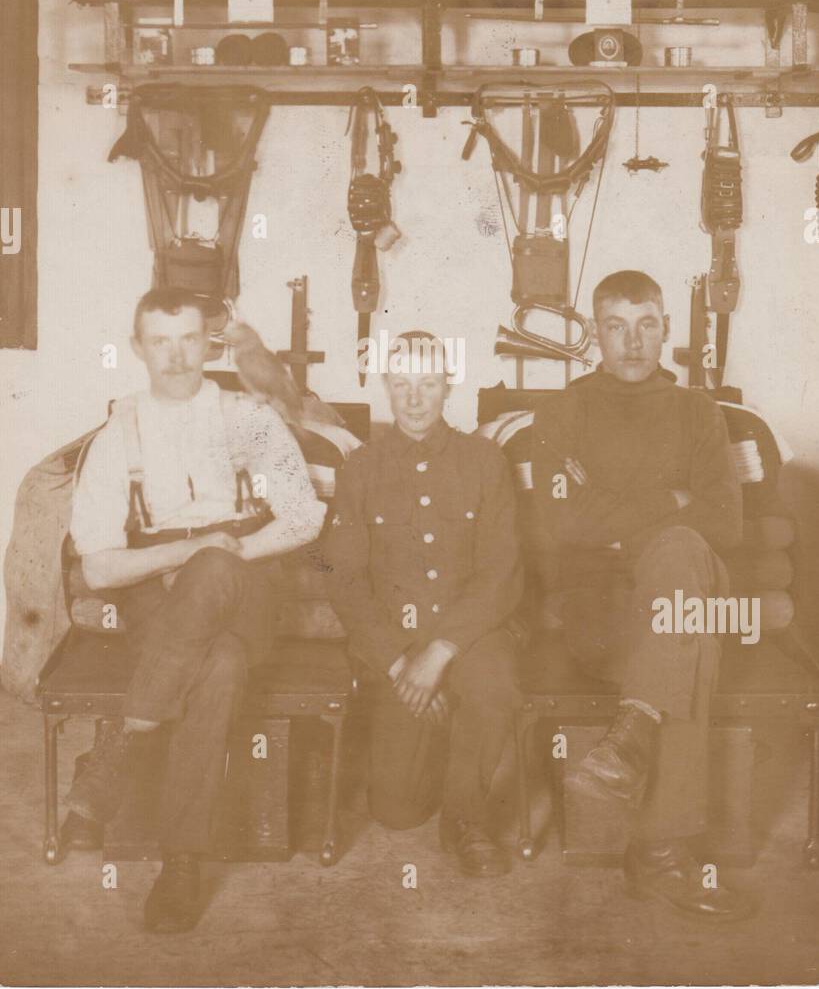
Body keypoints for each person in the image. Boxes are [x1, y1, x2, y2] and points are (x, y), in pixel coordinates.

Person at [66, 288, 326, 933]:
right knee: (220, 668)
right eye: (161, 341)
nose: (178, 356)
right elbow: (97, 566)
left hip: (249, 579)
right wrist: (179, 554)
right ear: (138, 348)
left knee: (215, 572)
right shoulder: (114, 435)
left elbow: (303, 516)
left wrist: (227, 548)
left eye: (190, 339)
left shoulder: (248, 417)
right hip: (160, 598)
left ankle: (122, 747)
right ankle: (183, 861)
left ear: (210, 344)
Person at [531, 270, 751, 920]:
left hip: (675, 596)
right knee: (689, 628)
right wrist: (672, 501)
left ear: (665, 330)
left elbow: (728, 524)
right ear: (595, 333)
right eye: (617, 326)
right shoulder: (562, 411)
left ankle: (630, 742)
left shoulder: (696, 411)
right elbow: (562, 524)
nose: (632, 341)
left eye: (647, 324)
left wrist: (609, 508)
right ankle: (659, 856)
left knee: (683, 566)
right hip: (598, 612)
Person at [325, 331, 524, 876]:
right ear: (386, 385)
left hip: (470, 636)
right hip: (395, 648)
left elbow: (500, 572)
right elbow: (344, 579)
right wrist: (398, 665)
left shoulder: (485, 462)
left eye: (429, 384)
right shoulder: (359, 468)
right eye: (403, 384)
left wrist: (438, 654)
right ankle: (443, 732)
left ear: (448, 387)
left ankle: (468, 819)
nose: (415, 399)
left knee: (492, 678)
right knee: (395, 811)